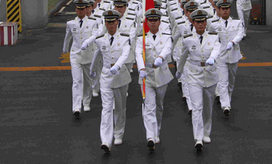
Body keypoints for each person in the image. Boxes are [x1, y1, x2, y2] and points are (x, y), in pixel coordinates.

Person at [176, 9, 221, 151]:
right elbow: (183, 56)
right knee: (197, 107)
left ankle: (206, 131)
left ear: (206, 22)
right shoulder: (188, 39)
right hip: (194, 75)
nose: (201, 24)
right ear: (193, 23)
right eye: (198, 22)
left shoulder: (213, 37)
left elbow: (217, 48)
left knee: (208, 106)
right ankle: (198, 137)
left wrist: (213, 58)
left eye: (203, 21)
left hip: (210, 74)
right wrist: (179, 71)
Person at [90, 10, 131, 153]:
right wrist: (93, 69)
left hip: (120, 76)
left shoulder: (125, 37)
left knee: (120, 108)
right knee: (106, 108)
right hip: (106, 75)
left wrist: (118, 66)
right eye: (108, 22)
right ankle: (106, 140)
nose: (110, 25)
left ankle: (118, 133)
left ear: (117, 22)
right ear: (105, 23)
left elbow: (125, 53)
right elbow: (97, 54)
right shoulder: (101, 39)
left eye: (113, 22)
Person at [135, 9, 173, 150]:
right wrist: (141, 68)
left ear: (159, 21)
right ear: (146, 21)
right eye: (150, 20)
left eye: (155, 20)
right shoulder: (141, 37)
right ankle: (150, 135)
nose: (152, 22)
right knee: (149, 105)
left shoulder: (166, 36)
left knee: (159, 105)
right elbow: (138, 53)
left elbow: (168, 48)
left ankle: (157, 129)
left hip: (162, 73)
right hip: (147, 74)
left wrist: (161, 58)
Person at [63, 0, 97, 118]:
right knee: (77, 81)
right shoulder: (71, 23)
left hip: (88, 55)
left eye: (82, 9)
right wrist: (64, 50)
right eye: (78, 9)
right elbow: (67, 37)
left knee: (88, 81)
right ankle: (76, 107)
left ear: (86, 9)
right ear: (76, 10)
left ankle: (86, 101)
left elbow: (95, 35)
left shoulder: (93, 23)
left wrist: (87, 42)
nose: (80, 11)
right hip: (75, 54)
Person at [214, 0, 244, 116]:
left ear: (229, 10)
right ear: (219, 11)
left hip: (234, 55)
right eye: (223, 9)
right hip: (221, 57)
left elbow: (240, 34)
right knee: (223, 82)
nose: (225, 11)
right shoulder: (215, 24)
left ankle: (228, 100)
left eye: (227, 9)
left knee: (231, 82)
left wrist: (232, 42)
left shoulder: (237, 23)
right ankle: (225, 105)